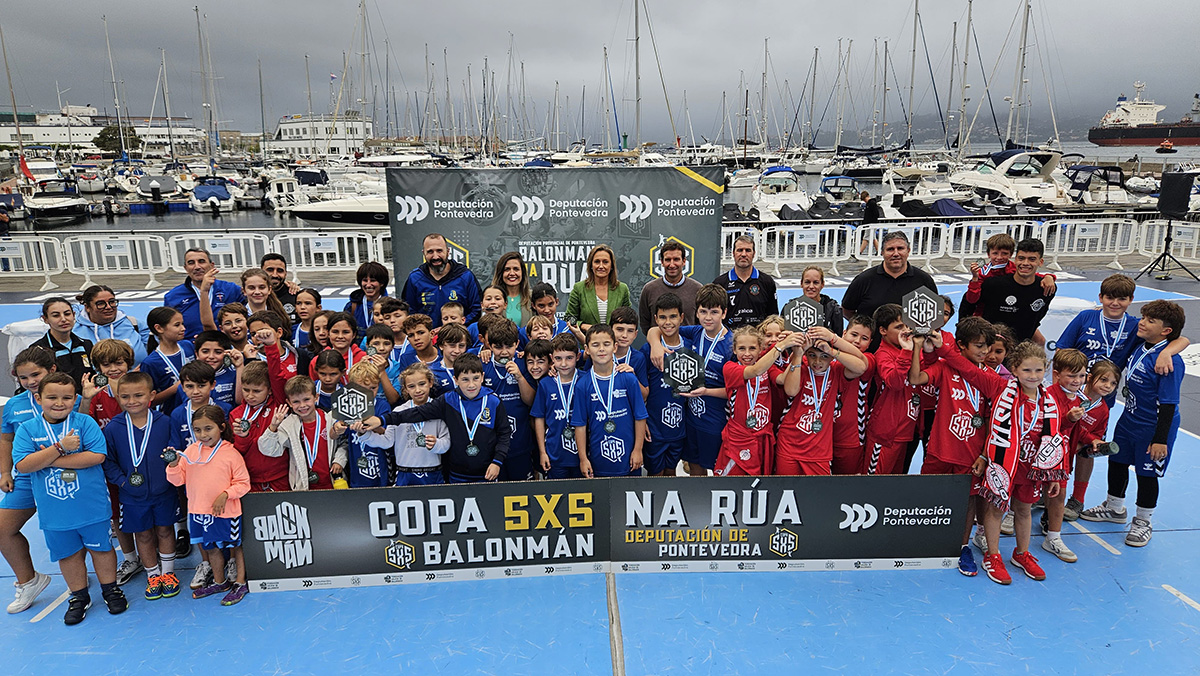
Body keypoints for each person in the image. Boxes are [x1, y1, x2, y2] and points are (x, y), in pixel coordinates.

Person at [13, 372, 127, 624]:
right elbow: (23, 465)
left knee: (102, 549)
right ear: (38, 398)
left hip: (91, 507)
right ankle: (79, 596)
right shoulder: (27, 429)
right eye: (52, 397)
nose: (59, 403)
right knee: (68, 555)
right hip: (55, 512)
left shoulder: (84, 422)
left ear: (75, 399)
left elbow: (96, 456)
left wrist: (48, 459)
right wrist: (60, 448)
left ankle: (110, 589)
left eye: (66, 397)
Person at [1080, 300, 1187, 548]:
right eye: (1144, 317)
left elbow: (1169, 404)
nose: (1143, 322)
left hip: (1153, 427)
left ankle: (1143, 521)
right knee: (1117, 461)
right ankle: (1114, 507)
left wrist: (1160, 439)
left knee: (1146, 474)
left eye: (1150, 320)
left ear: (1166, 331)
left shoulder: (1169, 362)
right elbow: (1181, 338)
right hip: (1129, 420)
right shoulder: (1142, 345)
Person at [357, 354, 512, 483]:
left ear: (482, 377)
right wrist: (382, 420)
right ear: (455, 380)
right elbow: (415, 413)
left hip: (487, 472)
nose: (471, 384)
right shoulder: (448, 401)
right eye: (465, 379)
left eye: (475, 378)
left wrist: (497, 461)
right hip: (456, 474)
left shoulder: (493, 401)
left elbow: (504, 433)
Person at [102, 372, 182, 602]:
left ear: (152, 395)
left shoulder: (165, 422)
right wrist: (122, 481)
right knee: (143, 535)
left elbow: (175, 450)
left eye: (138, 395)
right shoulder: (114, 427)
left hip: (164, 491)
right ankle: (153, 575)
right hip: (132, 495)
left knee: (165, 530)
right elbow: (108, 461)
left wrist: (172, 469)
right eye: (125, 396)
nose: (132, 401)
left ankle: (168, 573)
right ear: (118, 397)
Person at [164, 404, 251, 605]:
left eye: (208, 428)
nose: (203, 434)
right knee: (210, 548)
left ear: (221, 427)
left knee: (235, 546)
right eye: (197, 430)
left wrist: (226, 494)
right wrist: (173, 465)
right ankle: (220, 581)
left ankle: (240, 582)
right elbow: (178, 481)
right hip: (198, 511)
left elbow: (243, 483)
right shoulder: (190, 452)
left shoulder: (231, 453)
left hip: (227, 512)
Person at [1, 347, 63, 613]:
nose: (30, 382)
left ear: (51, 370)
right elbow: (6, 439)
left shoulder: (68, 396)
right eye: (23, 377)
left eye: (35, 375)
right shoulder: (14, 405)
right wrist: (5, 472)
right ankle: (29, 581)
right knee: (3, 529)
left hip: (66, 476)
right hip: (27, 478)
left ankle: (82, 583)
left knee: (68, 531)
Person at [647, 284, 732, 477]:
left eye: (714, 312)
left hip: (716, 419)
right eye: (703, 311)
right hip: (691, 418)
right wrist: (655, 344)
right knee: (695, 468)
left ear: (724, 313)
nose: (708, 317)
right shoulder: (696, 332)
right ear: (697, 312)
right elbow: (658, 329)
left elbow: (734, 391)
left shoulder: (730, 344)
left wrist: (707, 391)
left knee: (719, 471)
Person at [776, 328, 868, 476]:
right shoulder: (801, 368)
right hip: (789, 443)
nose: (817, 362)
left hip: (819, 449)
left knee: (818, 490)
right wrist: (798, 355)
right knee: (787, 488)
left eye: (824, 356)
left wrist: (832, 346)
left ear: (831, 358)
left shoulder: (836, 371)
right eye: (812, 355)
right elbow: (791, 391)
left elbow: (862, 366)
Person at [571, 325, 648, 478]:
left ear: (615, 347)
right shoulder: (582, 385)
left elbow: (640, 417)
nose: (601, 349)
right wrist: (583, 459)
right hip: (598, 459)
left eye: (606, 344)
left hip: (629, 457)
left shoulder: (628, 379)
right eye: (595, 345)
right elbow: (580, 424)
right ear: (587, 349)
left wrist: (638, 450)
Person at [358, 363, 451, 486]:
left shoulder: (438, 410)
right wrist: (364, 434)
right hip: (404, 474)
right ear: (405, 389)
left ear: (431, 382)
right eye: (411, 386)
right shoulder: (398, 411)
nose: (418, 390)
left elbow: (446, 443)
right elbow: (387, 442)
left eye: (422, 384)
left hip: (433, 473)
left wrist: (436, 444)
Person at [717, 328, 792, 476]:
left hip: (763, 437)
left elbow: (782, 379)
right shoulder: (730, 368)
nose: (747, 353)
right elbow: (755, 370)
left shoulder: (768, 368)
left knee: (761, 482)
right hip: (740, 438)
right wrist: (782, 345)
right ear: (734, 350)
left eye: (752, 348)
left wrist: (797, 353)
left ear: (760, 350)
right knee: (731, 482)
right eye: (741, 348)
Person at [258, 376, 348, 490]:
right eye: (296, 401)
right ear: (289, 403)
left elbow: (344, 443)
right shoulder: (288, 425)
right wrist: (273, 427)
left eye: (306, 399)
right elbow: (268, 450)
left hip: (334, 483)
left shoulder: (330, 419)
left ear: (316, 397)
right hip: (303, 488)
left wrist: (339, 460)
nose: (302, 405)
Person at [959, 238, 1055, 344]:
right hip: (989, 335)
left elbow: (1037, 316)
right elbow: (969, 302)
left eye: (1032, 259)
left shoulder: (1046, 288)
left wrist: (1049, 276)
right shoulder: (988, 280)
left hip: (1020, 342)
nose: (1025, 263)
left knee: (1040, 342)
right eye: (1021, 258)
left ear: (1040, 262)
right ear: (1016, 259)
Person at [481, 320, 536, 481]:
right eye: (498, 347)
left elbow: (530, 401)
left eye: (509, 346)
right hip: (492, 445)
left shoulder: (524, 363)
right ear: (489, 345)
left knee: (523, 491)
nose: (504, 352)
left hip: (520, 443)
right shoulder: (482, 365)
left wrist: (519, 377)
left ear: (517, 344)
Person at [841, 231, 938, 322]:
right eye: (890, 249)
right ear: (882, 252)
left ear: (908, 251)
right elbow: (847, 310)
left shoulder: (924, 280)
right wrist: (866, 328)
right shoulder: (864, 280)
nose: (896, 254)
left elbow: (935, 313)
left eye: (900, 248)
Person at [641, 293, 689, 477]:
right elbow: (641, 391)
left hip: (680, 428)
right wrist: (642, 421)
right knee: (655, 476)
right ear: (655, 319)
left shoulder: (690, 347)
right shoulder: (648, 350)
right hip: (655, 428)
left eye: (673, 316)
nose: (668, 322)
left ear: (681, 317)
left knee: (671, 474)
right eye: (662, 317)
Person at [402, 233, 484, 326]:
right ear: (423, 253)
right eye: (430, 252)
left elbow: (476, 310)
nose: (435, 256)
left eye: (439, 251)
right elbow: (409, 312)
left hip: (458, 333)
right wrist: (424, 330)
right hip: (427, 334)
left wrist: (454, 327)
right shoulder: (415, 278)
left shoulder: (465, 276)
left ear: (448, 251)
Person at [163, 248, 246, 340]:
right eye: (191, 263)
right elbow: (168, 330)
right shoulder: (173, 297)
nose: (197, 267)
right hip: (190, 345)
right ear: (185, 268)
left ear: (211, 265)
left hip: (228, 344)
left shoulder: (231, 290)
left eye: (201, 261)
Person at [532, 334, 584, 479]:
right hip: (555, 454)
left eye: (569, 358)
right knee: (558, 492)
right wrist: (542, 452)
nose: (564, 363)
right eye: (558, 358)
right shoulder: (546, 384)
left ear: (578, 357)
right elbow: (539, 419)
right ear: (552, 358)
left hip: (583, 455)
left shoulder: (586, 380)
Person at [639, 239, 703, 335]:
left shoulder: (697, 290)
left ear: (684, 261)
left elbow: (701, 324)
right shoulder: (649, 289)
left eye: (676, 259)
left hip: (689, 344)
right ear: (662, 262)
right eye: (668, 260)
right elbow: (645, 323)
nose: (672, 265)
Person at [713, 235, 778, 330]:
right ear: (733, 253)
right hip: (729, 337)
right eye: (740, 250)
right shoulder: (720, 283)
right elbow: (714, 315)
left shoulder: (767, 281)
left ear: (754, 254)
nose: (743, 254)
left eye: (748, 250)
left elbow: (773, 316)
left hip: (758, 337)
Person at [567, 244, 632, 334]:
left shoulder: (622, 289)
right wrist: (584, 326)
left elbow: (628, 318)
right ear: (591, 265)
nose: (601, 266)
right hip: (586, 340)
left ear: (611, 266)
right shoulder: (579, 288)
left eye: (605, 262)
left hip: (615, 341)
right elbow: (569, 317)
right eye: (597, 262)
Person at [140, 307, 195, 415]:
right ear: (159, 328)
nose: (183, 328)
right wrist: (176, 388)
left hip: (198, 411)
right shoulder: (150, 363)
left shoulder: (188, 346)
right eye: (177, 325)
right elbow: (149, 401)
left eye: (182, 324)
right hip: (171, 415)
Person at [75, 285, 148, 365]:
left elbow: (154, 354)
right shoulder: (74, 331)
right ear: (87, 307)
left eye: (112, 302)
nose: (108, 307)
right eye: (101, 303)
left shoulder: (135, 324)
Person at [32, 297, 94, 389]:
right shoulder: (38, 349)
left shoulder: (86, 345)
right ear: (45, 319)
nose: (63, 319)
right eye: (56, 315)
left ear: (73, 315)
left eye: (67, 314)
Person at [344, 261, 390, 339]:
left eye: (373, 280)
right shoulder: (352, 306)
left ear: (382, 283)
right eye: (365, 280)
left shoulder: (391, 306)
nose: (368, 285)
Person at [799, 266, 844, 336]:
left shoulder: (834, 309)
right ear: (801, 284)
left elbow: (839, 338)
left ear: (822, 284)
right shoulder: (790, 308)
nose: (811, 286)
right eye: (807, 282)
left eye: (816, 282)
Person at [491, 252, 533, 327]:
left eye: (516, 269)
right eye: (507, 269)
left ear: (522, 272)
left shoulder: (532, 297)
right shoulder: (492, 299)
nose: (512, 273)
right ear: (500, 273)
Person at [259, 252, 302, 325]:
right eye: (270, 270)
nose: (275, 275)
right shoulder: (252, 296)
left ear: (285, 273)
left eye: (280, 271)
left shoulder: (296, 296)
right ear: (261, 271)